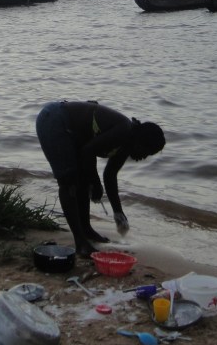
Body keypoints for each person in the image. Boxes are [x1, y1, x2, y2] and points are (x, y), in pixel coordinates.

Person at [35, 100, 166, 257]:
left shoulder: (126, 145)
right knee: (68, 181)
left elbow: (110, 175)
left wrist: (118, 212)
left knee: (83, 180)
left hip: (71, 131)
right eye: (146, 152)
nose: (143, 157)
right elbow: (88, 151)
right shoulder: (123, 130)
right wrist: (96, 183)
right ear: (140, 141)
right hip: (54, 119)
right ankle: (80, 242)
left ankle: (86, 230)